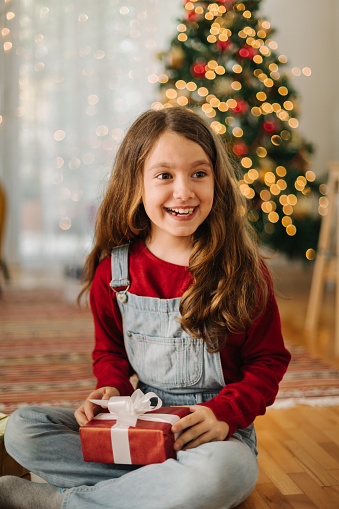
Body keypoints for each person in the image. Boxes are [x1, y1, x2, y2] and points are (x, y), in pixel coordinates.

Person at [2, 107, 290, 509]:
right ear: (135, 184)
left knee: (228, 471)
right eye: (164, 175)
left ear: (217, 181)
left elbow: (268, 361)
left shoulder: (243, 270)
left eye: (199, 173)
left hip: (211, 436)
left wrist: (223, 414)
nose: (184, 191)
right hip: (136, 422)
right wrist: (111, 388)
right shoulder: (114, 273)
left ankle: (61, 503)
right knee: (23, 429)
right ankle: (158, 487)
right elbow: (111, 354)